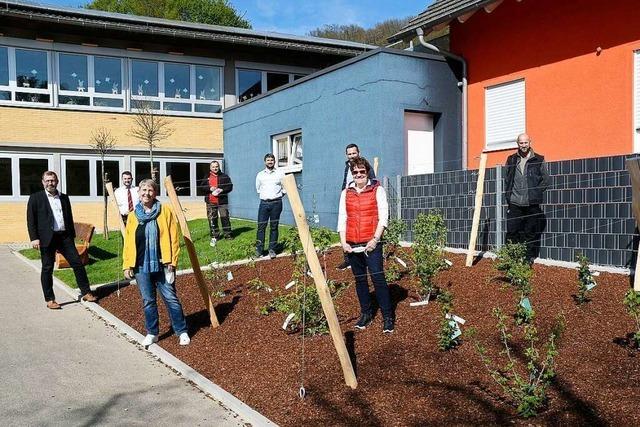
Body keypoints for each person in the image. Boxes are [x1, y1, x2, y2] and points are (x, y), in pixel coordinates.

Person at [122, 179, 190, 347]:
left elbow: (174, 238)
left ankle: (181, 331)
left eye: (150, 190)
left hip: (163, 264)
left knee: (171, 298)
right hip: (140, 266)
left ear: (155, 193)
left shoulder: (165, 211)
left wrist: (172, 261)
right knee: (148, 301)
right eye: (143, 190)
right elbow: (129, 242)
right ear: (138, 193)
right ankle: (152, 333)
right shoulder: (132, 216)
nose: (147, 193)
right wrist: (126, 264)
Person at [337, 157, 394, 333]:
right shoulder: (346, 193)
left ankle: (388, 316)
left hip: (372, 244)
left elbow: (383, 217)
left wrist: (375, 239)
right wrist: (343, 242)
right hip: (353, 245)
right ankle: (366, 313)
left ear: (367, 172)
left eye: (362, 171)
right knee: (360, 280)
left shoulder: (377, 190)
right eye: (355, 172)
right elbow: (342, 218)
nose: (359, 174)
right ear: (352, 174)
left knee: (378, 280)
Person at [27, 171, 98, 309]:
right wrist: (34, 238)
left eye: (52, 180)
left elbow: (68, 217)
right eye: (47, 181)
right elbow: (31, 220)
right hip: (46, 238)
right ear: (43, 182)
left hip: (64, 237)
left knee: (77, 263)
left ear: (57, 181)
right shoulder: (36, 198)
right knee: (47, 268)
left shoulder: (64, 198)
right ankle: (50, 299)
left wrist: (71, 235)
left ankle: (86, 292)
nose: (50, 183)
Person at [504, 133, 551, 264]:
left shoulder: (539, 159)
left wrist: (535, 193)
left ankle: (527, 259)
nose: (523, 145)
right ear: (517, 144)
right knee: (512, 231)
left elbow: (546, 180)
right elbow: (507, 178)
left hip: (532, 203)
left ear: (530, 142)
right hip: (514, 202)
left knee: (529, 232)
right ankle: (511, 258)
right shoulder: (511, 159)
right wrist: (508, 195)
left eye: (525, 143)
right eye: (521, 143)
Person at [337, 143, 377, 270]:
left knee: (364, 228)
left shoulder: (364, 165)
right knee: (347, 228)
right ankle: (348, 259)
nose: (352, 156)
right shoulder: (347, 166)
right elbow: (346, 182)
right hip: (349, 199)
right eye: (349, 154)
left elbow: (373, 181)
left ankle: (366, 258)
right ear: (346, 155)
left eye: (354, 153)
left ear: (358, 152)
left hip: (363, 200)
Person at [255, 153, 285, 259]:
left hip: (276, 203)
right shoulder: (260, 175)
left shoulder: (280, 173)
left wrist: (278, 195)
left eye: (272, 160)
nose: (270, 162)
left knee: (274, 227)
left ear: (275, 161)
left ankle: (272, 249)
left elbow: (284, 187)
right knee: (261, 227)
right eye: (268, 160)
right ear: (265, 162)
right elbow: (258, 188)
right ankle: (259, 250)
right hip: (264, 204)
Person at [200, 160, 233, 246]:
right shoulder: (206, 176)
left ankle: (228, 235)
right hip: (210, 202)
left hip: (222, 202)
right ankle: (215, 236)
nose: (215, 168)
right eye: (213, 167)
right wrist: (209, 188)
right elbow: (202, 187)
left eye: (216, 166)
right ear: (210, 168)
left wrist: (222, 190)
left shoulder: (225, 176)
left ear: (219, 167)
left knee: (225, 218)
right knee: (212, 219)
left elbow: (230, 186)